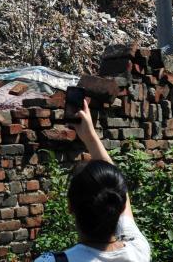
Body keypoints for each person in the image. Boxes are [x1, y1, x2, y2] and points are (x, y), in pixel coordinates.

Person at [35, 99, 151, 262]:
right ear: (120, 204)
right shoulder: (138, 251)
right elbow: (117, 187)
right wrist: (90, 135)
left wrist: (88, 136)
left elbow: (118, 189)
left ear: (69, 207)